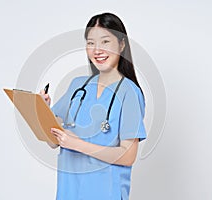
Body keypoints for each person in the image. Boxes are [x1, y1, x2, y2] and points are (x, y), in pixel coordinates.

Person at [40, 12, 146, 200]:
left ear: (121, 45)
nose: (97, 49)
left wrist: (77, 144)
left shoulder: (129, 92)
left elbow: (128, 156)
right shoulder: (77, 86)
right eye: (90, 43)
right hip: (69, 193)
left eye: (105, 42)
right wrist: (41, 111)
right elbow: (52, 141)